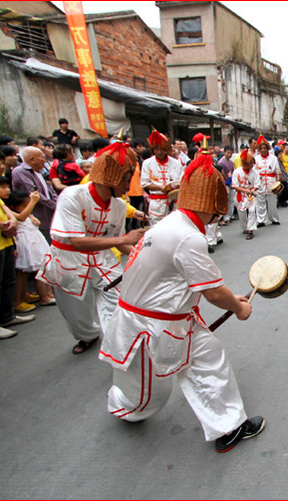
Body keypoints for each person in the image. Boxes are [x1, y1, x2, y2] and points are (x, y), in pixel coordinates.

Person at [99, 142, 265, 454]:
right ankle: (123, 406)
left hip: (160, 319)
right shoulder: (189, 236)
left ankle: (229, 425)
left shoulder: (172, 223)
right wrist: (239, 309)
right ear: (212, 204)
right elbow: (213, 292)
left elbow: (201, 285)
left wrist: (233, 300)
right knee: (146, 399)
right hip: (153, 326)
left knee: (208, 357)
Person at [36, 140, 146, 354]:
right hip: (70, 263)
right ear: (111, 178)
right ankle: (87, 336)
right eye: (126, 180)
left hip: (103, 261)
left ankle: (120, 347)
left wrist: (142, 255)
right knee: (77, 315)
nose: (127, 186)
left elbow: (118, 240)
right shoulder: (72, 196)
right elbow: (77, 241)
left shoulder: (119, 205)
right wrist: (125, 240)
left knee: (121, 304)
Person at [0, 176, 35, 339]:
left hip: (6, 240)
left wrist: (11, 221)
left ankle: (6, 316)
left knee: (8, 280)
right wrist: (3, 225)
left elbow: (3, 205)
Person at [6, 190, 55, 307]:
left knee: (43, 267)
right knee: (35, 271)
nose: (28, 207)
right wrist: (32, 202)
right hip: (27, 244)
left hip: (36, 242)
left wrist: (31, 215)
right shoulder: (14, 214)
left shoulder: (28, 214)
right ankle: (43, 297)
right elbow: (22, 217)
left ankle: (47, 293)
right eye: (24, 206)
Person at [10, 147, 58, 244]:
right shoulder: (20, 171)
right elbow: (34, 193)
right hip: (36, 216)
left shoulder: (39, 172)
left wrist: (58, 203)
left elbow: (51, 192)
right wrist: (55, 206)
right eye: (42, 157)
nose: (45, 161)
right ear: (32, 159)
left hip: (49, 215)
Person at [141, 128, 183, 226]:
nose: (159, 152)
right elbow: (145, 183)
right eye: (156, 149)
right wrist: (160, 188)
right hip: (156, 204)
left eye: (162, 149)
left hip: (173, 203)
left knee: (174, 229)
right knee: (156, 230)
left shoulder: (176, 163)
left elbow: (181, 181)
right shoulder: (147, 163)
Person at [252, 135, 281, 226]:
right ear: (259, 149)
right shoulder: (256, 159)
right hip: (260, 183)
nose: (263, 150)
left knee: (272, 202)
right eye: (261, 148)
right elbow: (253, 172)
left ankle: (274, 219)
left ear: (268, 148)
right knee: (260, 202)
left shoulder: (273, 158)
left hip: (271, 182)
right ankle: (261, 220)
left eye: (265, 148)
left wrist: (278, 182)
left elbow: (277, 171)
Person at [231, 149, 260, 239]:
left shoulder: (255, 172)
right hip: (240, 195)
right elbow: (235, 186)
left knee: (252, 211)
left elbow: (257, 184)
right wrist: (245, 190)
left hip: (251, 195)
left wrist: (253, 189)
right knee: (242, 212)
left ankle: (250, 229)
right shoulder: (237, 172)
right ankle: (245, 227)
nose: (252, 165)